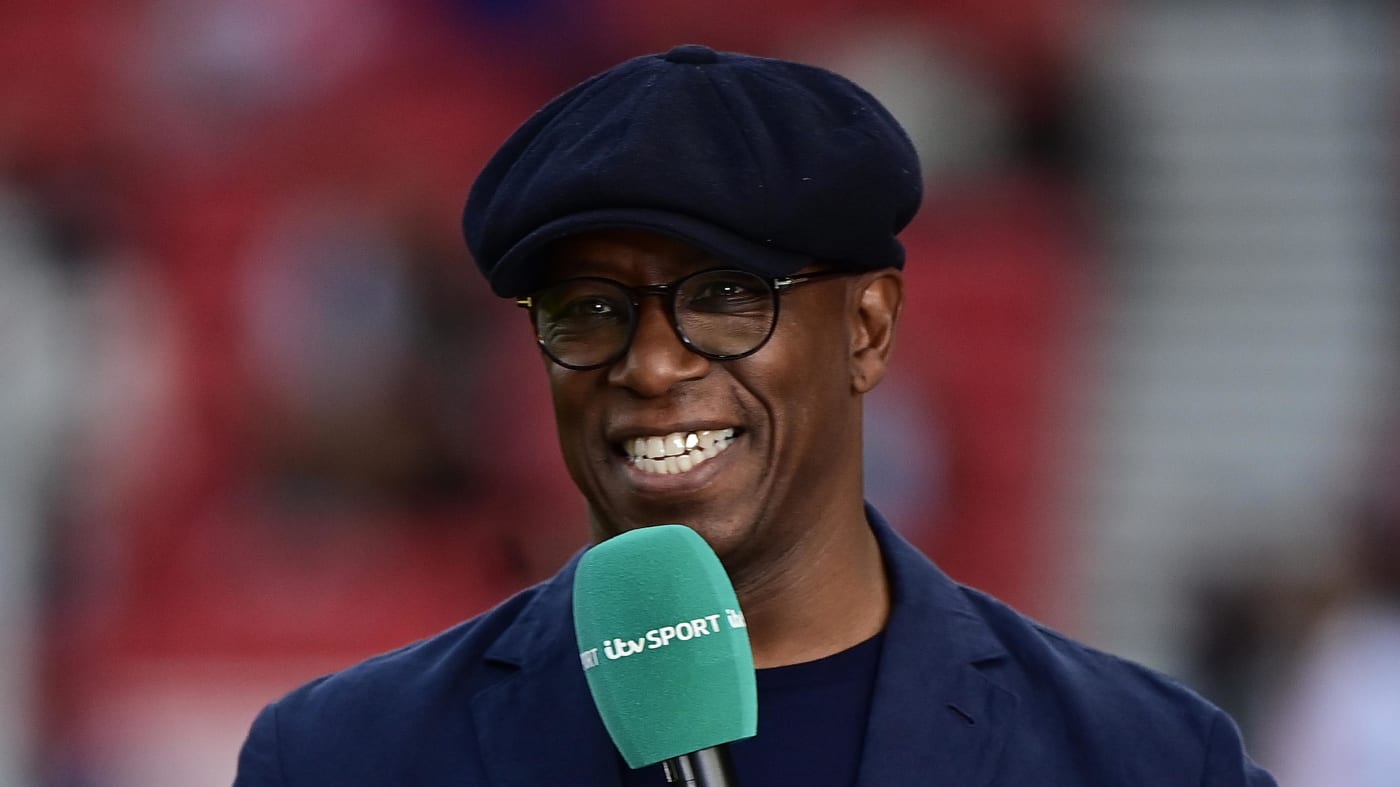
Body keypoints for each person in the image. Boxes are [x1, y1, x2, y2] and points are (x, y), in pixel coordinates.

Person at [233, 45, 1275, 786]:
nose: (648, 364)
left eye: (726, 297)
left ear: (866, 329)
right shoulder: (347, 757)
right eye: (588, 310)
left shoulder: (1142, 760)